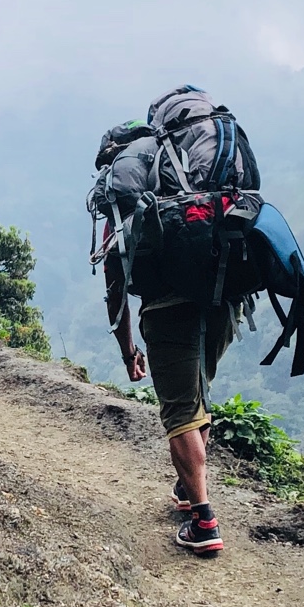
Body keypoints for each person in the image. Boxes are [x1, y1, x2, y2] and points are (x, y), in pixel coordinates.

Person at [99, 154, 240, 557]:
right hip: (223, 302)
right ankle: (186, 486)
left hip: (167, 310)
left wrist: (128, 351)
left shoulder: (127, 205)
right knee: (196, 396)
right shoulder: (201, 183)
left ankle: (203, 521)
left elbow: (116, 288)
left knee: (180, 412)